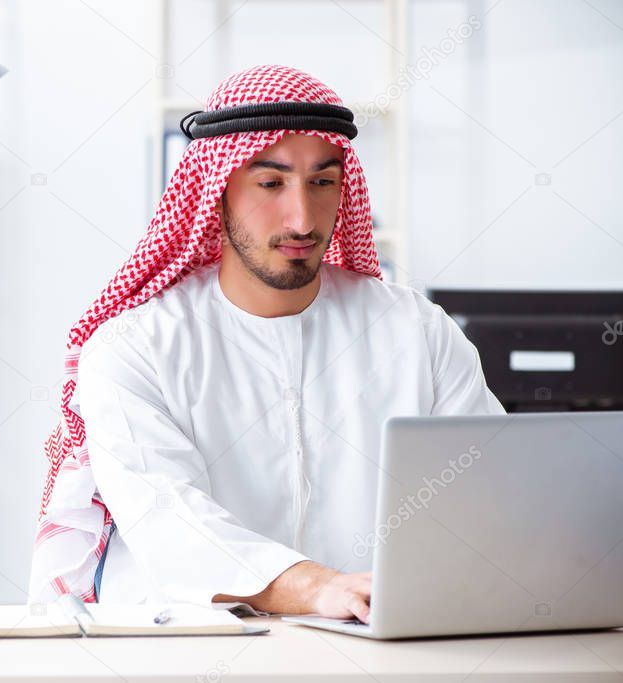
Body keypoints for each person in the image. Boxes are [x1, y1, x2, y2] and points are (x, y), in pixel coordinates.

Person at [29, 65, 504, 624]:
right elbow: (169, 520)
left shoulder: (417, 331)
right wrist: (316, 588)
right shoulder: (135, 347)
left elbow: (488, 496)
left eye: (323, 182)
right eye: (271, 183)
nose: (302, 218)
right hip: (188, 653)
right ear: (218, 189)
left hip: (374, 650)